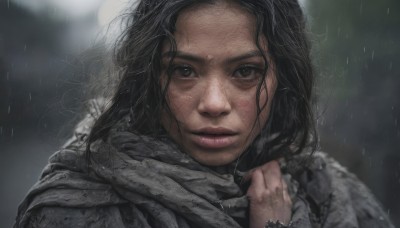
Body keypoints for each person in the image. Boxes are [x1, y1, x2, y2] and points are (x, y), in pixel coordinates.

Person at [14, 0, 394, 227]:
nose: (214, 103)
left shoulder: (326, 191)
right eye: (184, 71)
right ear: (148, 76)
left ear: (283, 77)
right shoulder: (76, 205)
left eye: (245, 72)